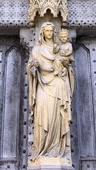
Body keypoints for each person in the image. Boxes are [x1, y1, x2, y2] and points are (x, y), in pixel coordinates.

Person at [27, 22, 74, 162]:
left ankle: (58, 151)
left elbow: (68, 67)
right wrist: (33, 68)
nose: (49, 33)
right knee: (43, 117)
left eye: (51, 31)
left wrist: (65, 66)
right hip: (43, 85)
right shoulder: (37, 50)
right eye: (47, 31)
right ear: (42, 33)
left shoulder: (58, 48)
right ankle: (42, 151)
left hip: (58, 84)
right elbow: (31, 67)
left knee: (58, 117)